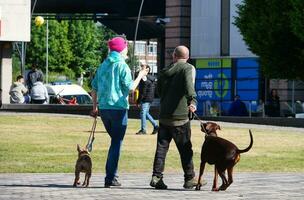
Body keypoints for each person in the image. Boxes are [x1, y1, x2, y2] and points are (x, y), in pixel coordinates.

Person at [90, 36, 149, 188]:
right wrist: (141, 75)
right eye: (126, 48)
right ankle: (110, 178)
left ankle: (111, 176)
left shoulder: (103, 65)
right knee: (116, 142)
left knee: (114, 141)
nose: (127, 50)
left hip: (104, 109)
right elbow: (130, 87)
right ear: (122, 49)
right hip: (118, 109)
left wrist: (95, 107)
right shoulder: (122, 66)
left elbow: (94, 87)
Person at [150, 45, 200, 190]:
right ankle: (189, 179)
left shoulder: (164, 71)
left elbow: (159, 92)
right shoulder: (188, 68)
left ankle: (156, 177)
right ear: (187, 57)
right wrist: (193, 101)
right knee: (185, 149)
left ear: (174, 57)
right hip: (180, 117)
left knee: (161, 148)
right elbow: (189, 86)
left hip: (164, 116)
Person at [136, 64, 159, 135]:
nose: (141, 68)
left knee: (143, 113)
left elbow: (143, 90)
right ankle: (156, 126)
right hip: (150, 98)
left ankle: (143, 130)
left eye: (143, 67)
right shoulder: (151, 78)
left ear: (147, 70)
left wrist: (139, 100)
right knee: (146, 113)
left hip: (145, 98)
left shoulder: (144, 78)